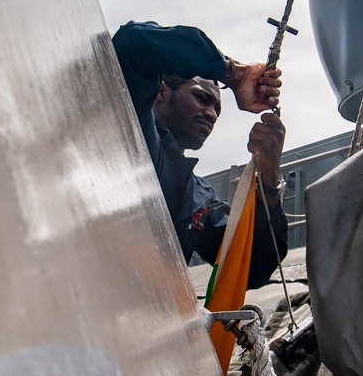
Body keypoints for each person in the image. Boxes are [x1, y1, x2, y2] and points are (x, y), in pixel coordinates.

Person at [112, 20, 288, 289]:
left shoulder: (198, 198)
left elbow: (252, 267)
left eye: (217, 108)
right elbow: (133, 43)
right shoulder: (131, 126)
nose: (212, 114)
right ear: (161, 91)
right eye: (202, 98)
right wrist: (233, 74)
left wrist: (268, 177)